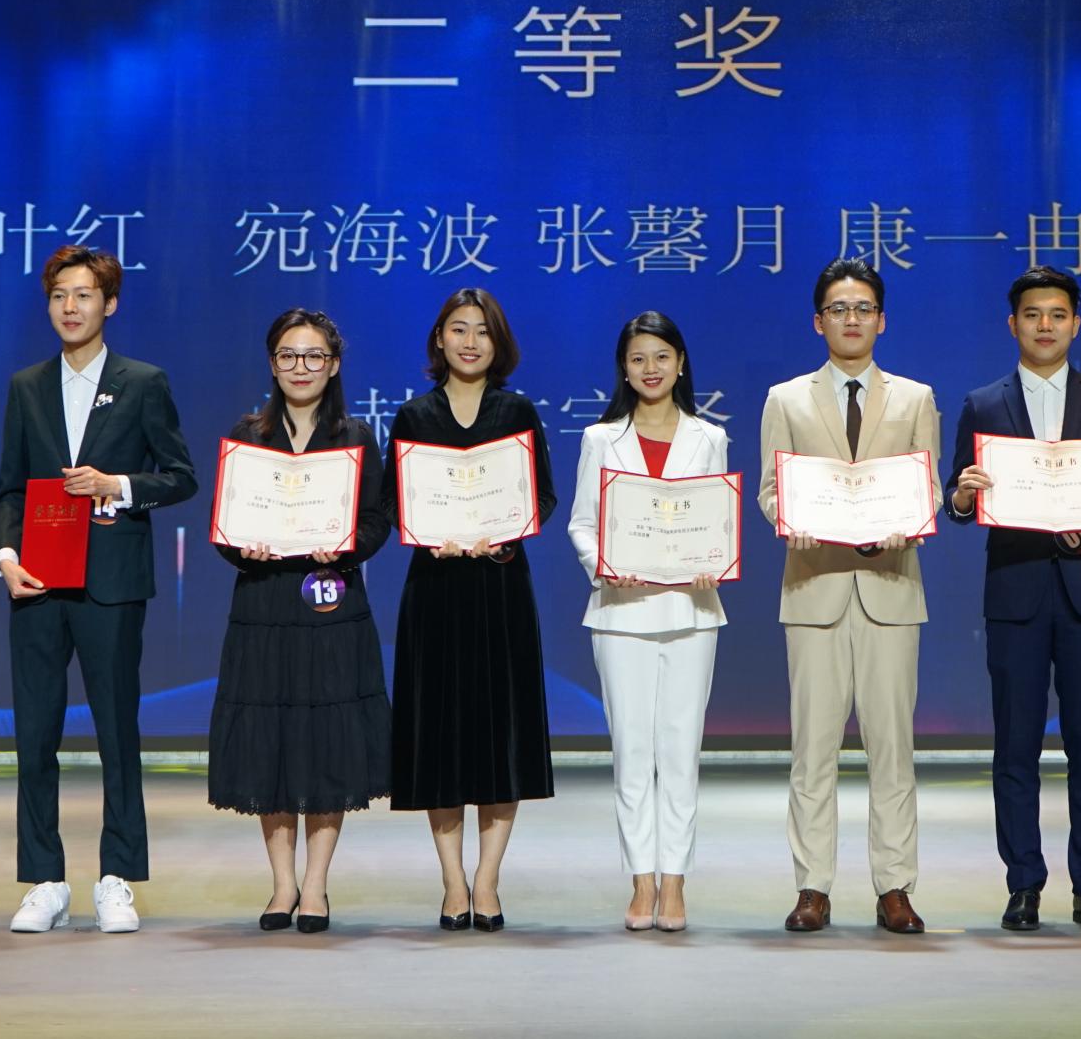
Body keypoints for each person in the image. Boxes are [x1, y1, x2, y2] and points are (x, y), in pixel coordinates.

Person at [0, 244, 198, 936]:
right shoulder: (27, 386)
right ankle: (45, 880)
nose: (70, 307)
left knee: (117, 732)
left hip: (112, 583)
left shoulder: (143, 382)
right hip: (38, 583)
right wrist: (6, 555)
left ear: (110, 303)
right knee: (35, 734)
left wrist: (119, 486)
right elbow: (8, 490)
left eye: (83, 295)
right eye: (58, 296)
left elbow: (181, 476)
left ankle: (117, 878)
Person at [946, 265, 1081, 934]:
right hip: (1017, 593)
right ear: (1013, 324)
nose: (1045, 325)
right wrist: (964, 494)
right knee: (1015, 747)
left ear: (1075, 324)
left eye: (1058, 314)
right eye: (1032, 314)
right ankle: (1023, 884)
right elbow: (956, 499)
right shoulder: (983, 403)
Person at [757, 258, 942, 936]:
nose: (852, 319)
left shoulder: (916, 398)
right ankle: (813, 886)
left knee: (893, 749)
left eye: (863, 308)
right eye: (839, 308)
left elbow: (927, 490)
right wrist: (793, 520)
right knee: (813, 750)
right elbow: (772, 491)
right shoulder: (786, 399)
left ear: (882, 320)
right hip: (815, 588)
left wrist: (907, 522)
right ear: (819, 322)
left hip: (891, 588)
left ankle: (895, 887)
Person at [208, 308, 393, 935]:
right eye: (288, 355)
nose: (301, 367)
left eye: (314, 356)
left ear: (333, 365)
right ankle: (282, 883)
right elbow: (224, 527)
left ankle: (315, 884)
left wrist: (342, 546)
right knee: (271, 739)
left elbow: (377, 521)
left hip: (332, 604)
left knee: (325, 740)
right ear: (272, 363)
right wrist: (244, 548)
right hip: (263, 604)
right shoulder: (248, 434)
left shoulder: (356, 436)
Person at [386, 287, 558, 932]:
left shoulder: (517, 411)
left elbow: (542, 495)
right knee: (441, 737)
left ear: (498, 342)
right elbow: (393, 500)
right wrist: (428, 533)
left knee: (499, 736)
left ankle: (487, 879)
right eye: (458, 329)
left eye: (482, 331)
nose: (469, 341)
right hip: (434, 592)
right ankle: (452, 880)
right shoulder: (413, 416)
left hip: (499, 588)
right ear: (439, 338)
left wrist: (506, 532)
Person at [565, 311, 730, 933]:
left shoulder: (709, 437)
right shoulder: (600, 439)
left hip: (692, 611)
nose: (651, 368)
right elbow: (583, 523)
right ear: (624, 369)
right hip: (621, 612)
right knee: (632, 751)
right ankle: (641, 881)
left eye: (662, 356)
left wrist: (715, 560)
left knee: (681, 751)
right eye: (638, 359)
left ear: (681, 363)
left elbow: (716, 518)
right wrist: (604, 566)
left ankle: (676, 881)